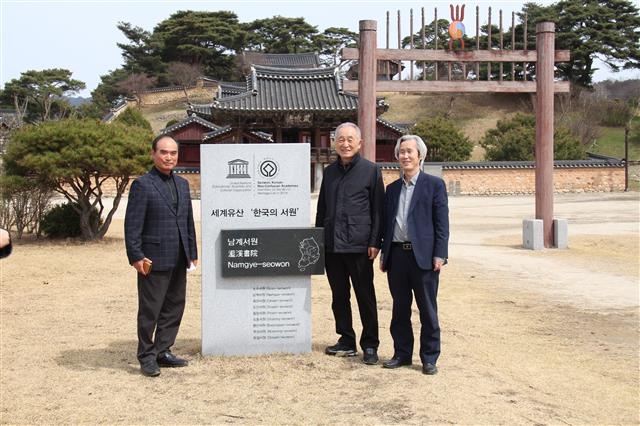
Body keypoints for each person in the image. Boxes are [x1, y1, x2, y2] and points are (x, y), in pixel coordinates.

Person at [125, 135, 198, 377]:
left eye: (173, 153)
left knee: (175, 306)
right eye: (164, 152)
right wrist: (136, 256)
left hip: (178, 256)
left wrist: (192, 252)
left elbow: (187, 221)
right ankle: (146, 356)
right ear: (153, 154)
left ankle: (163, 350)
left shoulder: (183, 184)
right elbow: (133, 225)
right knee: (150, 309)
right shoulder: (143, 185)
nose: (169, 157)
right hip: (152, 258)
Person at [315, 122, 385, 365]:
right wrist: (319, 240)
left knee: (365, 296)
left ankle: (370, 345)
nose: (345, 144)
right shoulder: (330, 172)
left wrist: (376, 241)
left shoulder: (371, 171)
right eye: (340, 139)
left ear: (359, 143)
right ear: (335, 143)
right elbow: (322, 208)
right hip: (333, 245)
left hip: (360, 246)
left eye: (350, 139)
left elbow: (378, 211)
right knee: (339, 296)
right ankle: (346, 339)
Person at [380, 134, 449, 375]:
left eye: (410, 151)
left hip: (424, 257)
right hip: (397, 255)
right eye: (401, 152)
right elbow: (387, 223)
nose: (405, 156)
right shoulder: (392, 189)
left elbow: (442, 224)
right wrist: (383, 252)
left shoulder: (434, 185)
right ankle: (402, 353)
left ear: (420, 155)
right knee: (400, 308)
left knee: (427, 309)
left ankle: (429, 357)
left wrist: (440, 254)